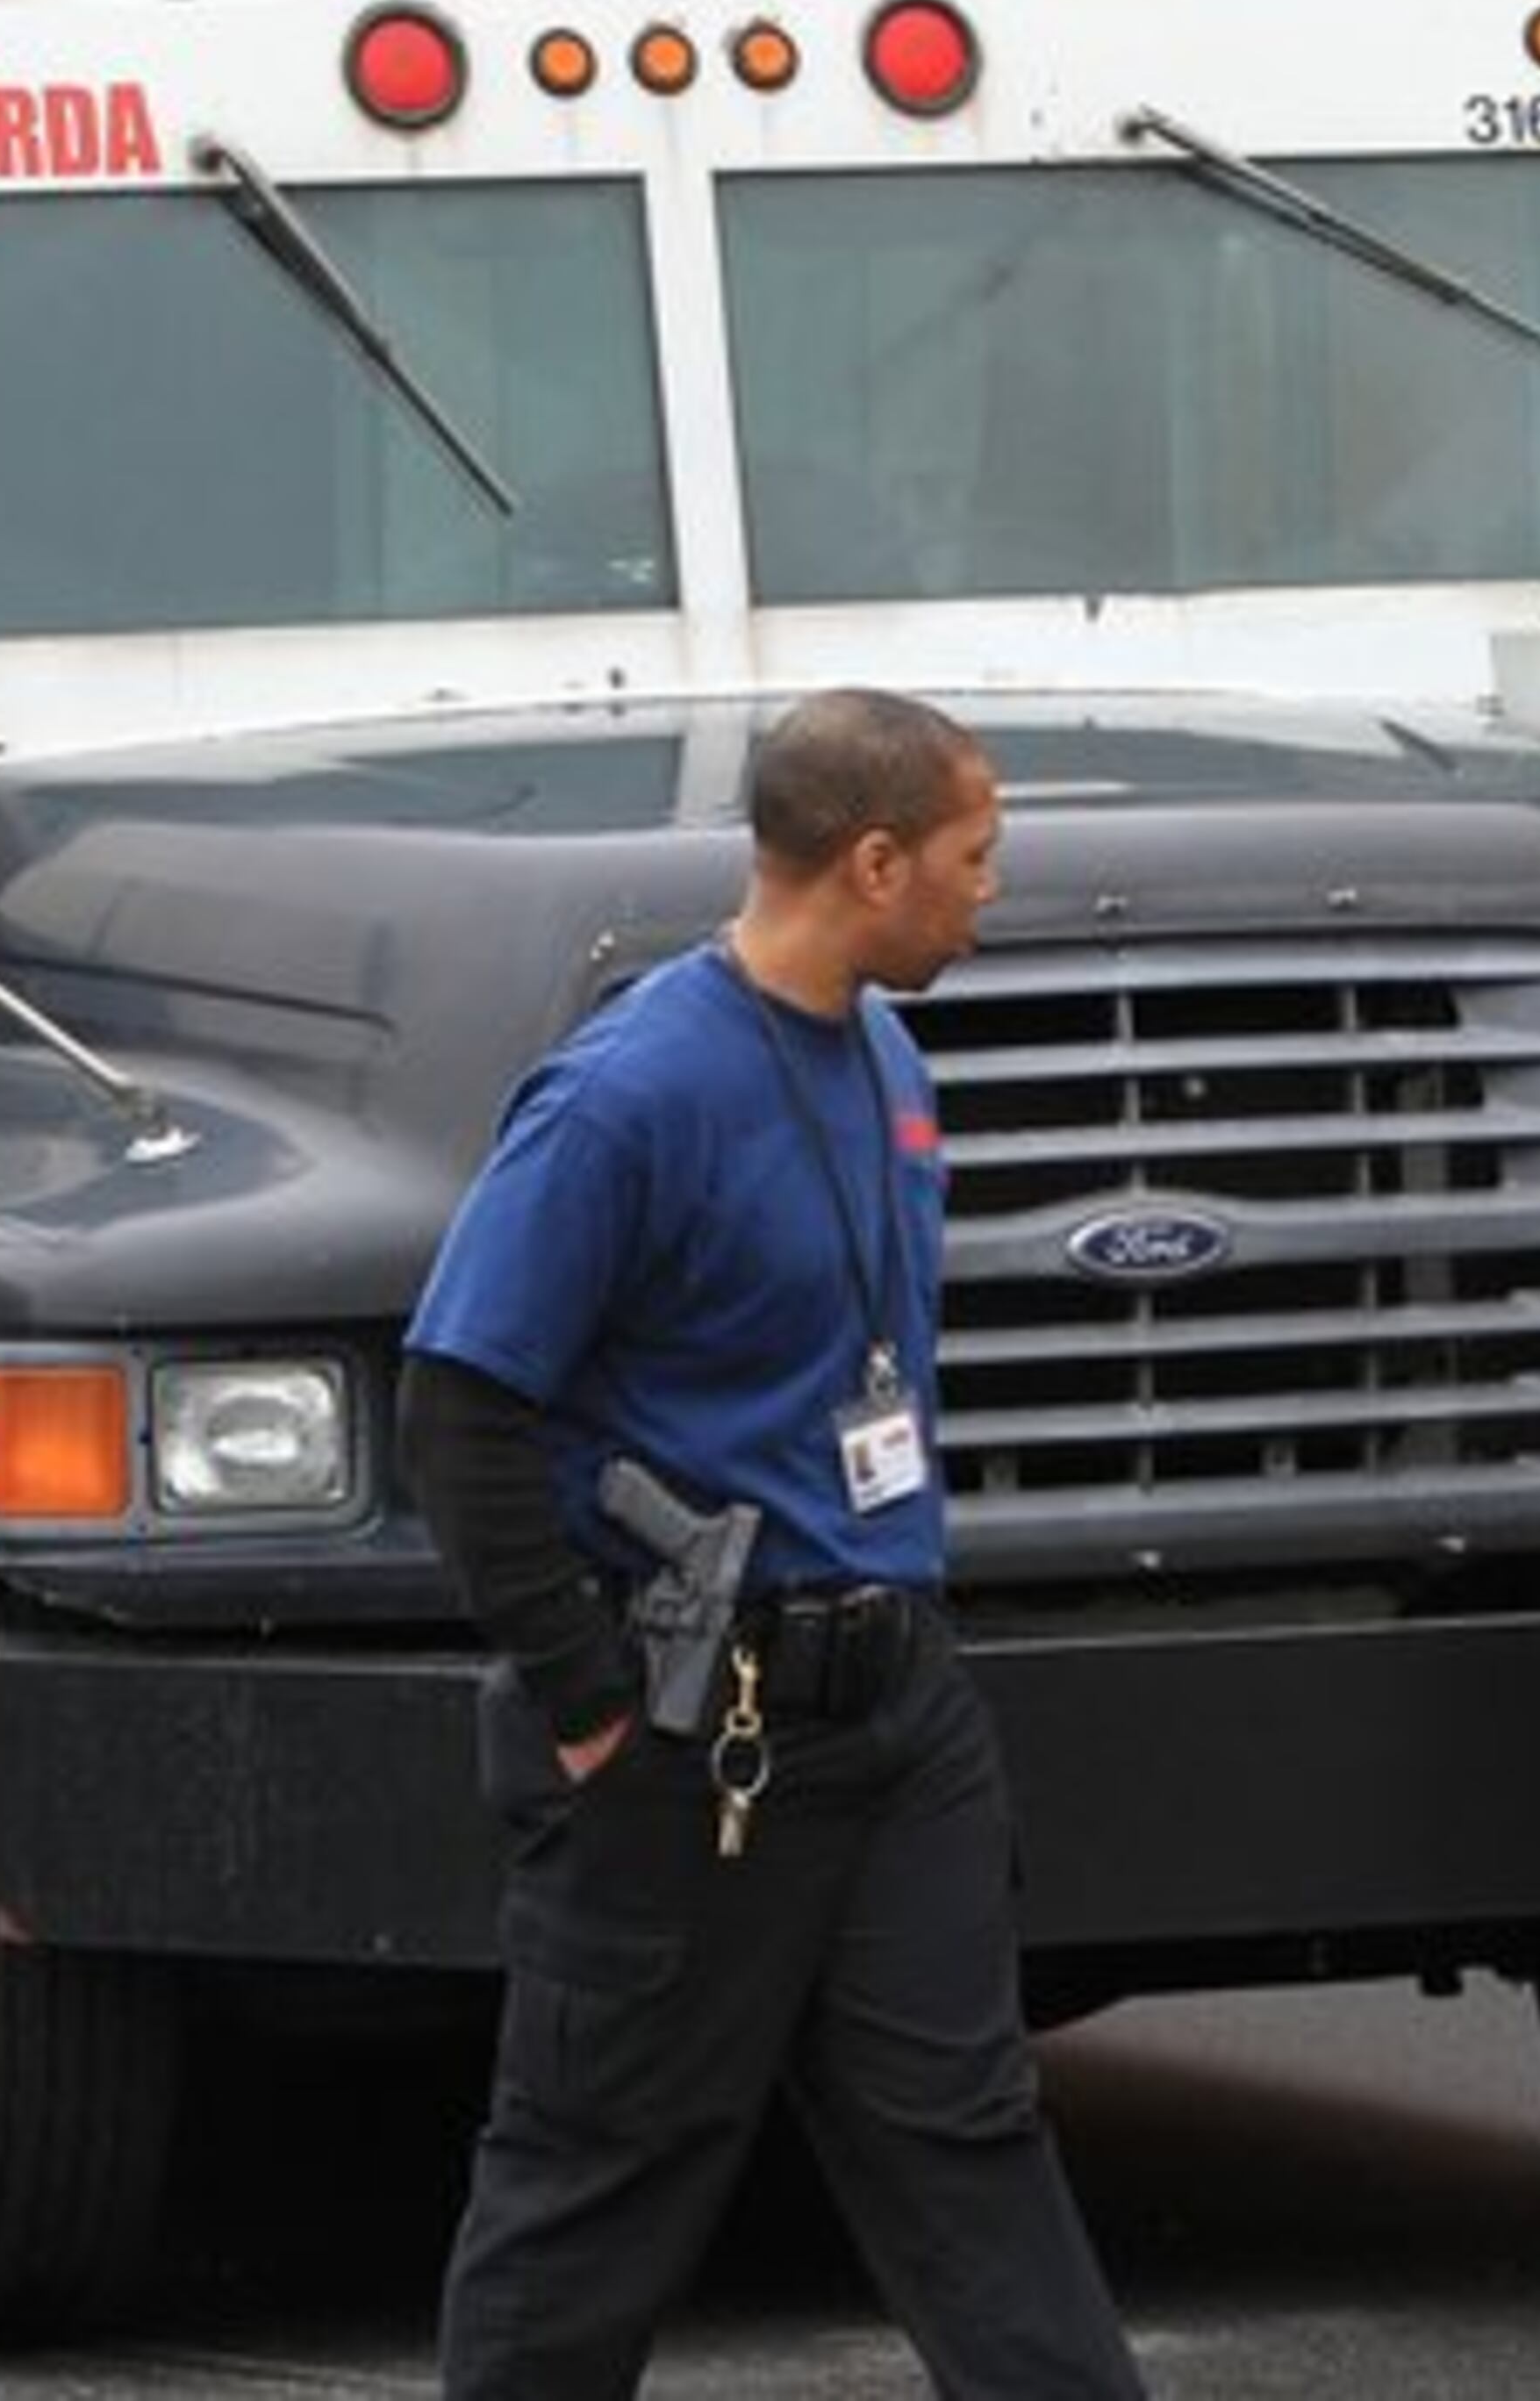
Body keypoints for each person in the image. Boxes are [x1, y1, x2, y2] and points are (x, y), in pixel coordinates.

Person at [398, 686, 1148, 2399]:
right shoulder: (626, 1097)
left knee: (969, 2142)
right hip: (685, 1739)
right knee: (598, 2175)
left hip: (893, 1709)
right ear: (872, 863)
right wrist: (590, 1703)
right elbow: (457, 1407)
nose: (991, 892)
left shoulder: (882, 1050)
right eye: (974, 859)